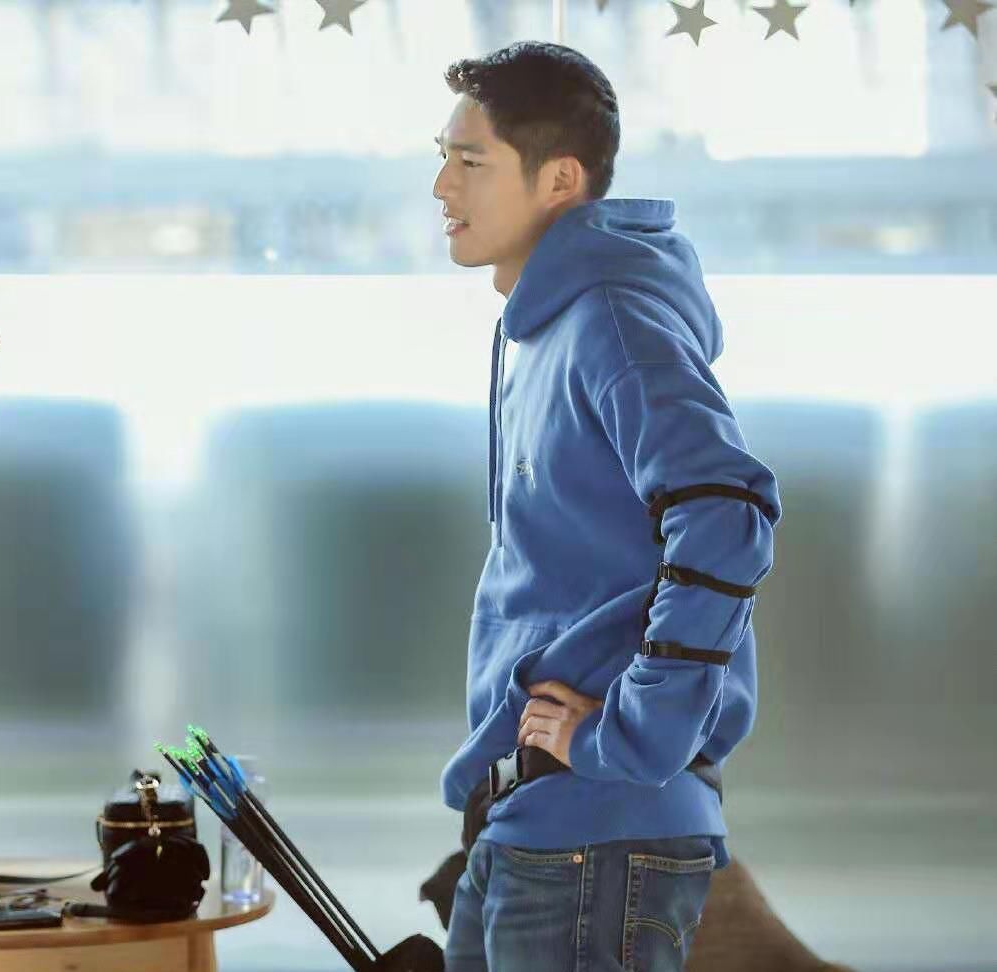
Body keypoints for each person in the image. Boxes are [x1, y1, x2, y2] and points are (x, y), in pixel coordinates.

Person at [429, 42, 781, 972]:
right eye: (443, 156)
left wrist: (633, 732)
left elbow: (727, 511)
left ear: (559, 178)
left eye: (470, 161)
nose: (441, 186)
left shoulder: (612, 317)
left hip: (598, 836)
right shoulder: (545, 325)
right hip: (532, 821)